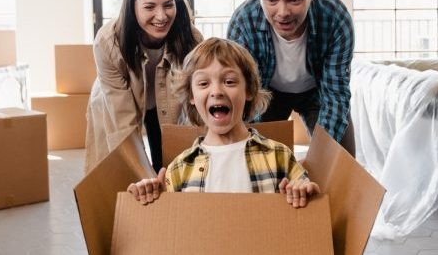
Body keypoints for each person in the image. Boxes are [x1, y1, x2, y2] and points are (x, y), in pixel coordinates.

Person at [127, 38, 320, 208]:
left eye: (229, 81)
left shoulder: (279, 156)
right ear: (192, 96)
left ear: (249, 91)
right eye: (203, 83)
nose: (216, 91)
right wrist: (153, 195)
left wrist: (302, 189)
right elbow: (170, 228)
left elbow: (307, 193)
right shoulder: (179, 168)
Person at [226, 0, 356, 155]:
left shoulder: (335, 17)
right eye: (272, 0)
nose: (283, 12)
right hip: (266, 94)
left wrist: (323, 157)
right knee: (258, 162)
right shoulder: (243, 23)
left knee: (341, 160)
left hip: (318, 92)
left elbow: (335, 95)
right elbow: (244, 93)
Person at [85, 0, 201, 174]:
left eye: (168, 5)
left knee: (167, 164)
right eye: (149, 7)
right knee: (122, 170)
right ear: (132, 7)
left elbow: (196, 102)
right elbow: (123, 126)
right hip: (115, 101)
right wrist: (144, 176)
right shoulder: (107, 42)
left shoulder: (190, 38)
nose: (161, 16)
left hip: (166, 100)